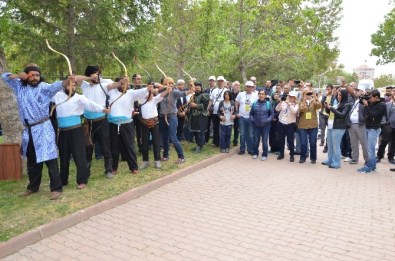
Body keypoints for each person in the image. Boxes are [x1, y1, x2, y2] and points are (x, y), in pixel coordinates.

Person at [1, 64, 75, 200]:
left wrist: (67, 80)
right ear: (26, 76)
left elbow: (57, 85)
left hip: (43, 127)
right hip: (28, 131)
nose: (35, 77)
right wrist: (18, 75)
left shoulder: (44, 88)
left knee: (50, 158)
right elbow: (4, 77)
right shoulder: (19, 87)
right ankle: (33, 187)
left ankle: (56, 188)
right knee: (32, 161)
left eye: (37, 75)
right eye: (32, 75)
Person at [52, 80, 109, 188]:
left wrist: (102, 109)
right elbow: (47, 92)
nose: (72, 87)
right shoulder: (57, 96)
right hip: (63, 131)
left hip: (76, 131)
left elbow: (91, 105)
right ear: (65, 85)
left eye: (74, 85)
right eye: (70, 84)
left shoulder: (79, 97)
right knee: (63, 157)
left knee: (80, 156)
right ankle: (63, 180)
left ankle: (82, 180)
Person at [107, 77, 152, 174]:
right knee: (114, 147)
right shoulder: (111, 92)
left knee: (130, 146)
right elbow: (108, 86)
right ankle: (113, 168)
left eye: (126, 84)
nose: (124, 86)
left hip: (127, 124)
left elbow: (140, 92)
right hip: (114, 124)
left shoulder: (131, 93)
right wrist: (119, 83)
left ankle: (133, 167)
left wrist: (148, 88)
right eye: (122, 84)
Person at [80, 65, 114, 179]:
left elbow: (115, 85)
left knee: (105, 145)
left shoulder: (104, 85)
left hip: (101, 120)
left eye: (98, 73)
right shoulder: (84, 85)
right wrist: (89, 78)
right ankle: (86, 171)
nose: (97, 75)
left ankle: (109, 169)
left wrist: (122, 81)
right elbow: (74, 78)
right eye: (95, 73)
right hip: (88, 122)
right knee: (88, 147)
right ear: (89, 75)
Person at [158, 77, 195, 163]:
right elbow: (153, 89)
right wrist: (162, 87)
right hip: (162, 116)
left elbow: (185, 93)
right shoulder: (161, 91)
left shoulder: (175, 92)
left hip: (172, 116)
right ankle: (166, 156)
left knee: (173, 137)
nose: (169, 85)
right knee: (164, 137)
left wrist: (192, 88)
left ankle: (181, 157)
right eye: (167, 83)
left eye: (171, 83)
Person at [139, 84, 171, 169]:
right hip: (145, 123)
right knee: (145, 143)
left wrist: (167, 90)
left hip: (155, 123)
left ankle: (157, 161)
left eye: (151, 94)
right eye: (149, 94)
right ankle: (145, 161)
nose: (151, 95)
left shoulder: (154, 100)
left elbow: (162, 94)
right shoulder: (142, 100)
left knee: (156, 142)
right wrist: (149, 90)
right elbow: (141, 94)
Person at [357, 90, 386, 173]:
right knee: (369, 147)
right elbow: (360, 102)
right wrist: (362, 98)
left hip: (374, 129)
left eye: (371, 97)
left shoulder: (382, 105)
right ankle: (372, 165)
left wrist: (366, 106)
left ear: (376, 97)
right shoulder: (372, 103)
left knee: (371, 149)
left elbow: (373, 115)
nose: (369, 99)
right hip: (368, 127)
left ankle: (369, 166)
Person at [322, 88, 351, 169]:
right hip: (331, 125)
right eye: (338, 94)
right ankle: (329, 159)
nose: (338, 96)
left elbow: (342, 115)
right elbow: (330, 112)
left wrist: (331, 108)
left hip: (338, 127)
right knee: (330, 145)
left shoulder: (347, 104)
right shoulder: (337, 103)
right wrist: (327, 108)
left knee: (336, 145)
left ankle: (336, 162)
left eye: (340, 95)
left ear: (344, 95)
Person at [345, 82, 368, 165]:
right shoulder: (353, 99)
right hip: (351, 124)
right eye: (356, 90)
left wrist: (365, 101)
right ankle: (355, 158)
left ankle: (367, 160)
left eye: (358, 90)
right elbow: (350, 92)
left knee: (363, 143)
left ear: (362, 91)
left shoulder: (365, 100)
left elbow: (368, 110)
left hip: (360, 124)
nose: (356, 92)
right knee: (353, 143)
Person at [297, 88, 322, 164]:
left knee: (313, 142)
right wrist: (304, 100)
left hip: (313, 125)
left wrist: (315, 97)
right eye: (306, 93)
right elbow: (302, 109)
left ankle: (313, 158)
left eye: (309, 93)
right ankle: (303, 157)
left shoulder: (313, 101)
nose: (308, 95)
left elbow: (319, 106)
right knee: (303, 143)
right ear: (303, 94)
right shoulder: (300, 102)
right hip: (303, 125)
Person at [235, 81, 258, 155]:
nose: (249, 88)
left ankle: (250, 149)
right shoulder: (241, 94)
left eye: (250, 86)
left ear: (252, 87)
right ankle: (242, 149)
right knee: (242, 134)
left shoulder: (255, 95)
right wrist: (237, 112)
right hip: (242, 117)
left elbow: (257, 106)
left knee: (250, 134)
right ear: (245, 87)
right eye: (247, 86)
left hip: (251, 118)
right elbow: (236, 103)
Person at [250, 90, 273, 160]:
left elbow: (272, 114)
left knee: (264, 141)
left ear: (265, 95)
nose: (261, 95)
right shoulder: (254, 103)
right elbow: (251, 114)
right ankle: (255, 153)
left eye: (262, 94)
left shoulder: (268, 104)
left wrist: (267, 120)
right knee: (256, 140)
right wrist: (253, 120)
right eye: (260, 94)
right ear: (258, 95)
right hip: (256, 125)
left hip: (265, 126)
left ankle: (264, 154)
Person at [275, 91, 299, 162]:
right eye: (289, 96)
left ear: (295, 98)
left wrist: (289, 104)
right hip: (281, 123)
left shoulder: (296, 105)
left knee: (290, 141)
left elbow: (294, 111)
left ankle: (292, 155)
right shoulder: (284, 102)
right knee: (281, 140)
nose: (290, 98)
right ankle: (281, 154)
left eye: (292, 97)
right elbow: (277, 109)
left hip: (290, 125)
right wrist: (280, 102)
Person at [188, 82, 210, 153]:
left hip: (201, 117)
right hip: (194, 117)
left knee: (200, 132)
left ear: (201, 88)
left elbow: (205, 106)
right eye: (196, 88)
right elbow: (190, 105)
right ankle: (198, 145)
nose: (197, 89)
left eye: (198, 88)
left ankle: (200, 146)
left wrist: (196, 105)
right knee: (196, 132)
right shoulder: (193, 96)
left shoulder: (205, 95)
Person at [207, 76, 228, 147]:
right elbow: (211, 100)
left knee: (223, 127)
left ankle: (224, 141)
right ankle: (216, 142)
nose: (220, 82)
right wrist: (208, 108)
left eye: (221, 81)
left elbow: (228, 101)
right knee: (215, 127)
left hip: (223, 113)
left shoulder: (226, 90)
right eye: (219, 81)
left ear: (223, 82)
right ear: (217, 82)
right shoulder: (214, 90)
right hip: (215, 112)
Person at [204, 76, 216, 143]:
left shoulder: (217, 90)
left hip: (214, 110)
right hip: (208, 110)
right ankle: (206, 139)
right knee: (207, 125)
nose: (211, 82)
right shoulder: (206, 90)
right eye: (210, 81)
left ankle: (214, 139)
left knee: (214, 125)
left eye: (212, 81)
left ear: (215, 82)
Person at [230, 81, 241, 146]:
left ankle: (235, 140)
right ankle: (228, 140)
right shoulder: (229, 93)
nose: (238, 86)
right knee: (229, 127)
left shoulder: (241, 94)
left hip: (237, 113)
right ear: (233, 86)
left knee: (237, 127)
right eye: (236, 85)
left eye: (239, 85)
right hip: (230, 112)